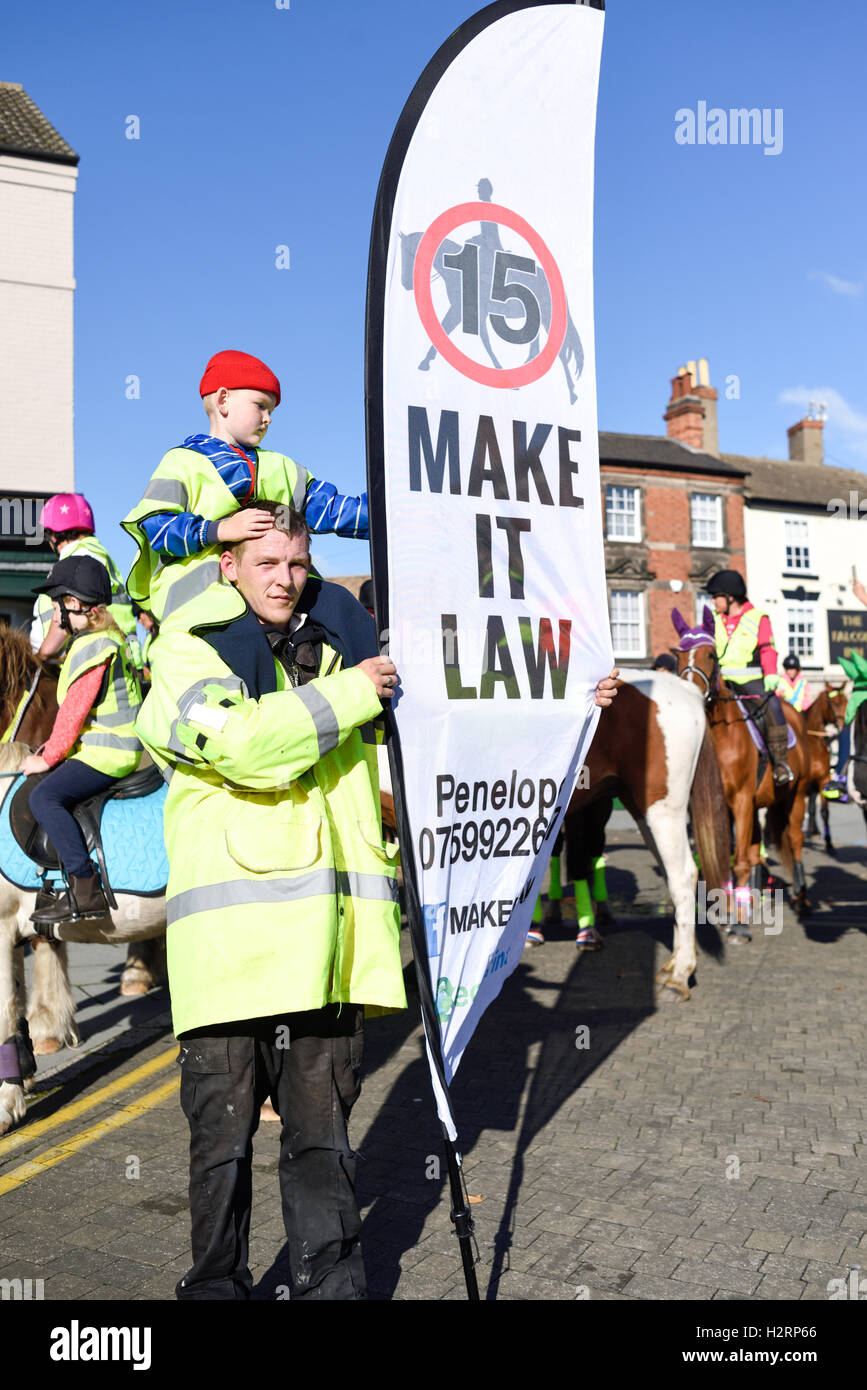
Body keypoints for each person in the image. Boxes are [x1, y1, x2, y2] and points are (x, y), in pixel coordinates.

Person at [133, 503, 407, 1301]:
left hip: (325, 953)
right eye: (266, 564)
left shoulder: (343, 647)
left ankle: (331, 1294)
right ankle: (216, 1290)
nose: (285, 580)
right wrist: (352, 693)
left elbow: (443, 727)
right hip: (230, 960)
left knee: (322, 1146)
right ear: (228, 566)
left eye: (296, 563)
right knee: (220, 1147)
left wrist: (572, 701)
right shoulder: (185, 652)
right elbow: (249, 748)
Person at [121, 349, 371, 660]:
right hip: (208, 597)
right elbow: (157, 526)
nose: (268, 418)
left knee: (341, 606)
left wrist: (394, 510)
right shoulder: (180, 463)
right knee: (246, 643)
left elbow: (332, 509)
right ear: (223, 400)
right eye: (261, 406)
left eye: (272, 412)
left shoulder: (282, 467)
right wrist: (218, 529)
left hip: (277, 587)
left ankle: (387, 697)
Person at [23, 556, 143, 924]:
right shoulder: (105, 636)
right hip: (107, 743)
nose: (57, 613)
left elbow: (73, 715)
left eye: (58, 604)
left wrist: (46, 759)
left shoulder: (92, 646)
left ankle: (84, 885)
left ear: (74, 604)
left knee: (44, 796)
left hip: (110, 750)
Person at [30, 493, 142, 670]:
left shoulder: (79, 561)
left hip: (88, 665)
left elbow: (68, 615)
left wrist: (39, 657)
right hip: (104, 661)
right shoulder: (92, 556)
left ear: (54, 535)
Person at [705, 569, 793, 785]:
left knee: (773, 706)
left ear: (730, 597)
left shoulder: (758, 618)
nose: (713, 601)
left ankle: (780, 762)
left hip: (751, 682)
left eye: (716, 596)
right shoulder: (714, 619)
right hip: (721, 683)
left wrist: (771, 673)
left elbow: (767, 649)